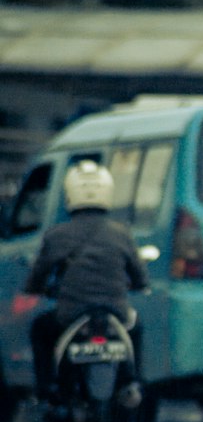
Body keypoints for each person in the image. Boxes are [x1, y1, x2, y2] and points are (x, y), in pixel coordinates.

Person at [25, 160, 148, 403]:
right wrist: (135, 285)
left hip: (70, 316)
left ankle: (47, 387)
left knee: (40, 329)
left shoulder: (56, 235)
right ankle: (132, 380)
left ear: (70, 194)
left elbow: (37, 277)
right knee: (137, 327)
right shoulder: (121, 233)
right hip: (117, 314)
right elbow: (140, 278)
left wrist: (37, 289)